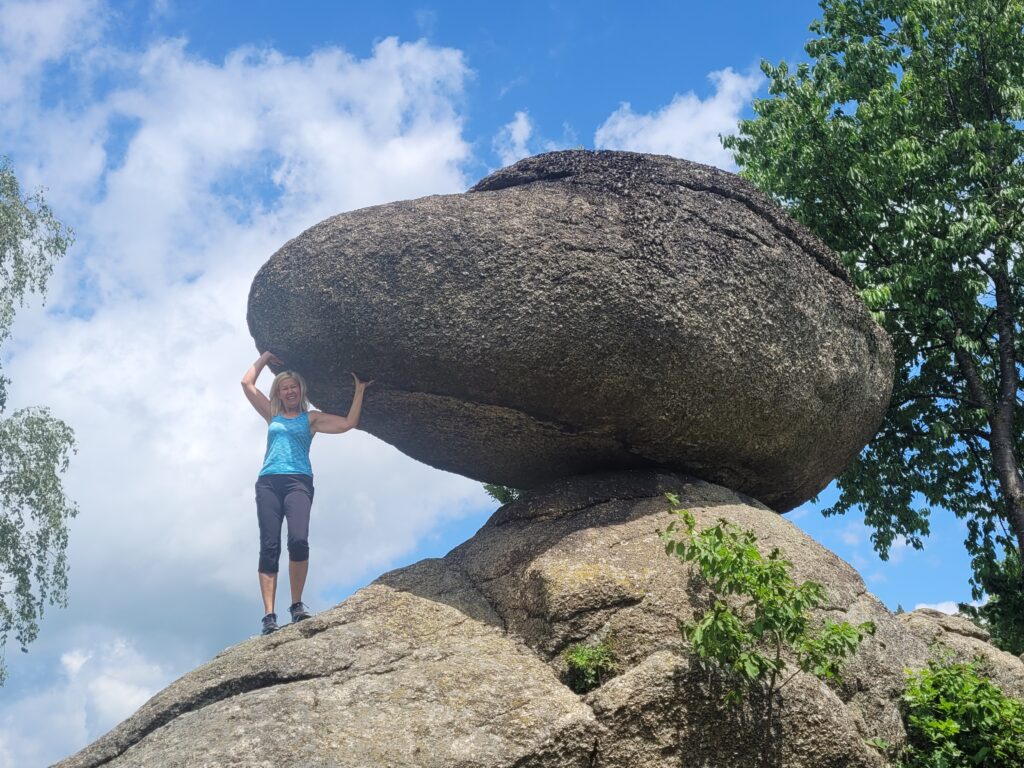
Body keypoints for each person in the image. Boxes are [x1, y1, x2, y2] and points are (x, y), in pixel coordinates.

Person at [241, 350, 372, 635]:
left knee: (299, 540)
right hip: (268, 482)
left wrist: (359, 391)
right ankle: (269, 616)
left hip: (298, 482)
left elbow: (348, 423)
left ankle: (296, 605)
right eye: (283, 387)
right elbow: (247, 384)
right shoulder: (272, 414)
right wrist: (265, 357)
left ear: (301, 390)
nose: (289, 391)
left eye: (293, 386)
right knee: (269, 546)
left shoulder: (310, 419)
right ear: (279, 392)